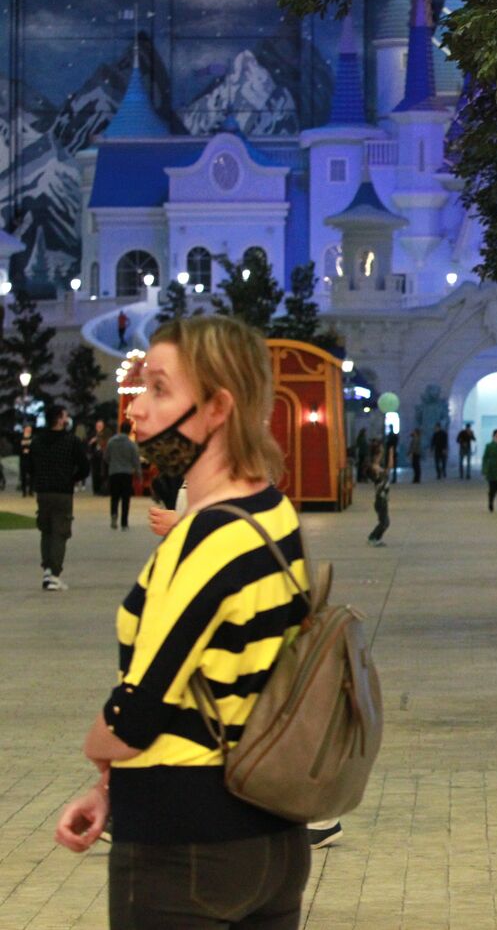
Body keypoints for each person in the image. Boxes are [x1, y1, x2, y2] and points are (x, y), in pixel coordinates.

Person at [53, 315, 312, 927]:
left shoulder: (203, 541)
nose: (137, 411)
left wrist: (95, 748)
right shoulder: (272, 514)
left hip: (185, 848)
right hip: (271, 836)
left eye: (160, 390)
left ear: (218, 406)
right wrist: (112, 791)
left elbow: (137, 713)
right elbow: (216, 691)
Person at [30, 405, 89, 591]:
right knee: (60, 532)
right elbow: (85, 467)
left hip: (43, 492)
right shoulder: (71, 441)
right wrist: (72, 479)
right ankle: (55, 574)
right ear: (59, 419)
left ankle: (47, 569)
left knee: (46, 530)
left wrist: (38, 479)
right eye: (65, 416)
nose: (67, 419)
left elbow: (29, 465)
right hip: (63, 492)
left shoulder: (37, 441)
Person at [104, 420, 141, 530]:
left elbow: (106, 457)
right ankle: (124, 523)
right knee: (126, 499)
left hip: (114, 472)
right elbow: (136, 460)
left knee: (114, 497)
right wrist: (139, 474)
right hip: (127, 474)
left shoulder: (111, 442)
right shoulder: (131, 444)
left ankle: (114, 515)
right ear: (129, 431)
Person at [368, 441, 393, 547]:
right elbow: (384, 472)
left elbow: (389, 467)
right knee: (385, 522)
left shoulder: (379, 467)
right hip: (380, 499)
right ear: (376, 455)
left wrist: (391, 454)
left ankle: (376, 538)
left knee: (384, 521)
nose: (382, 455)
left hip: (383, 498)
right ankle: (372, 537)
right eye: (380, 453)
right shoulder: (374, 468)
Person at [88, 419, 110, 495]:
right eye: (98, 426)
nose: (99, 427)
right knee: (95, 473)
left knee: (104, 474)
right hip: (95, 457)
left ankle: (103, 490)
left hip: (103, 457)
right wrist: (91, 442)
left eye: (100, 426)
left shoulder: (106, 435)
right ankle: (96, 490)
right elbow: (88, 446)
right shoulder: (92, 434)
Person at [18, 423, 33, 496]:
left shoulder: (33, 438)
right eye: (27, 429)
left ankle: (31, 491)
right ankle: (24, 491)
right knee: (23, 475)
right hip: (23, 459)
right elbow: (17, 447)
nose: (29, 430)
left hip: (31, 459)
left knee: (32, 475)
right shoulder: (20, 437)